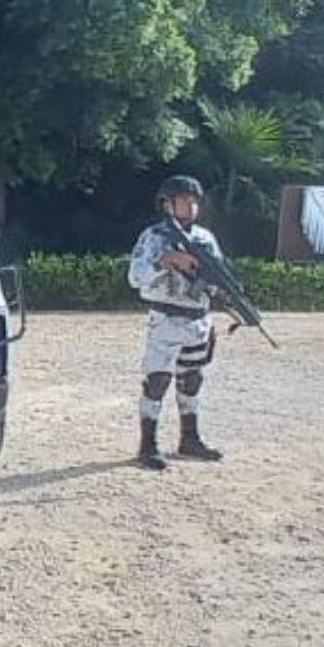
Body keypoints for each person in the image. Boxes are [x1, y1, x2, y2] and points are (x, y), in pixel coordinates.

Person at [127, 175, 227, 471]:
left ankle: (190, 438)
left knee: (192, 379)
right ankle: (148, 444)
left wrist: (218, 288)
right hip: (166, 317)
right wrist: (165, 262)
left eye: (194, 201)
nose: (191, 206)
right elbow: (135, 277)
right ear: (167, 204)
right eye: (184, 200)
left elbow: (218, 276)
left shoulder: (205, 238)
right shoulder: (154, 237)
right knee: (157, 380)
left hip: (197, 318)